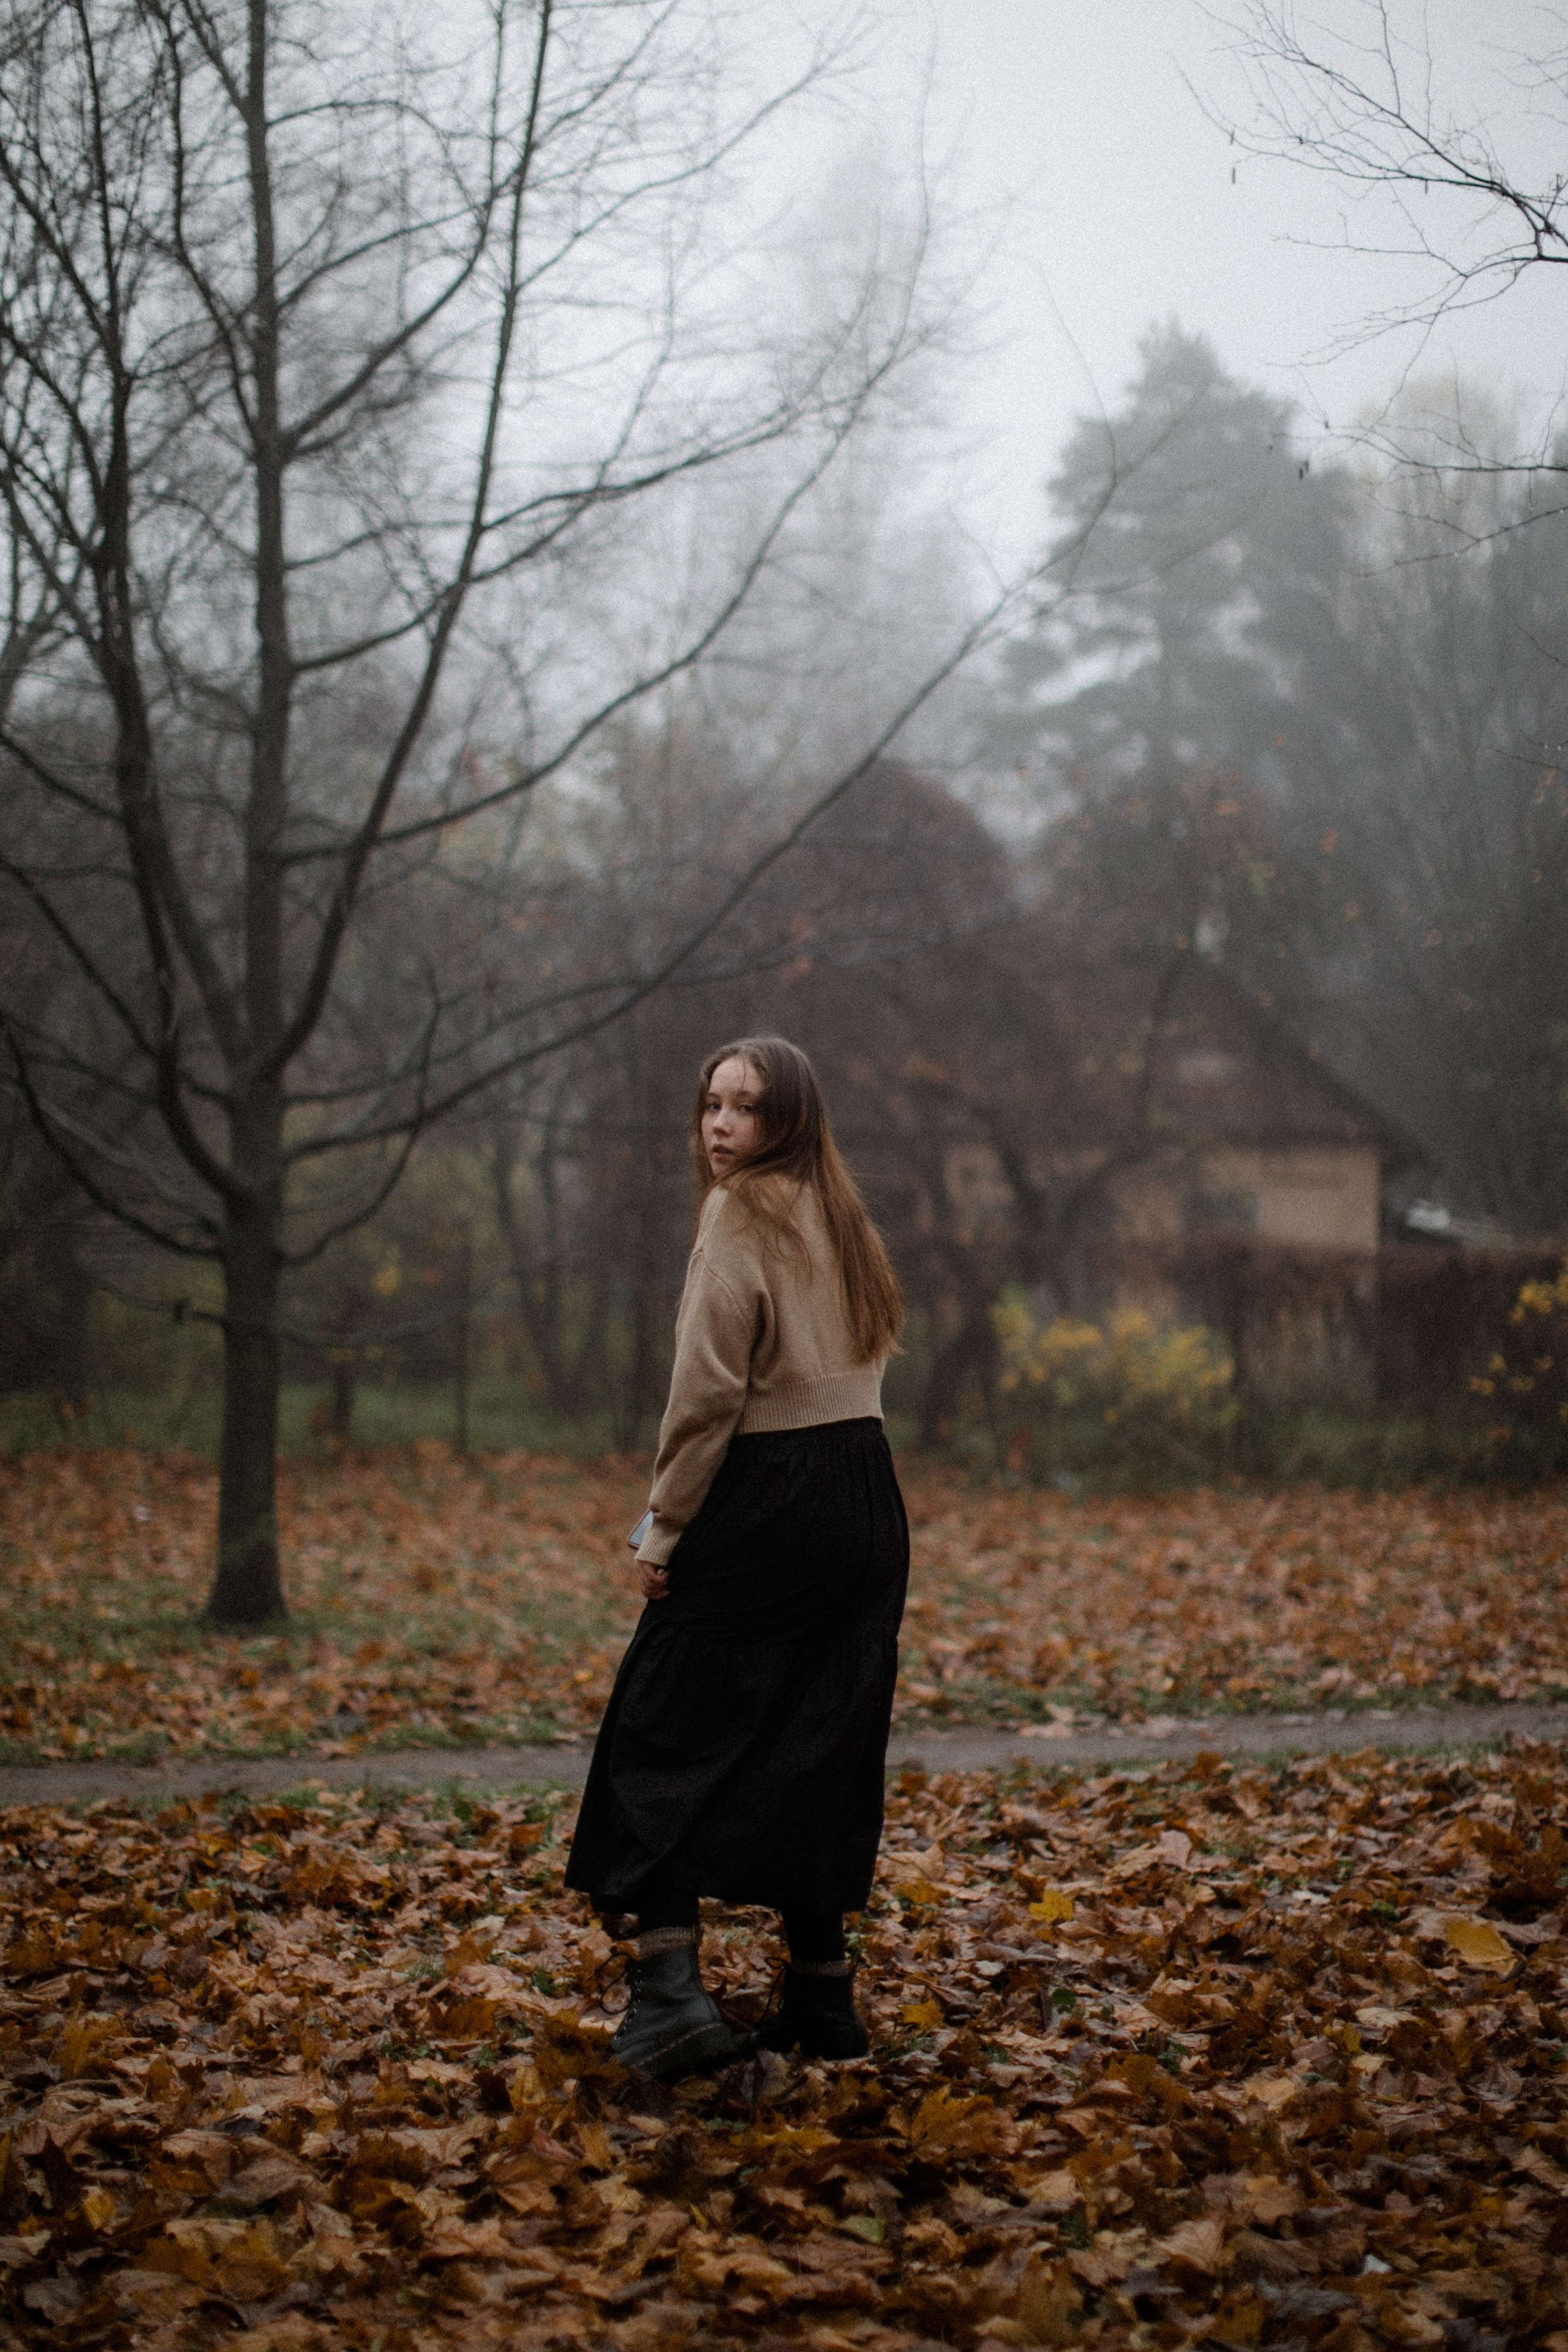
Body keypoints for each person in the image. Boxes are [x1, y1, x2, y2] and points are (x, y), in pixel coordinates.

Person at [566, 1036, 909, 2079]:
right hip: (865, 1495)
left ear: (789, 1120)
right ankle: (822, 1997)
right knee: (816, 1736)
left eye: (747, 1109)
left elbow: (708, 1393)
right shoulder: (840, 1212)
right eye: (711, 1103)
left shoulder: (740, 1213)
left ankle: (669, 1995)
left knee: (656, 1728)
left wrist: (663, 1526)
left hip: (774, 1493)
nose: (721, 1128)